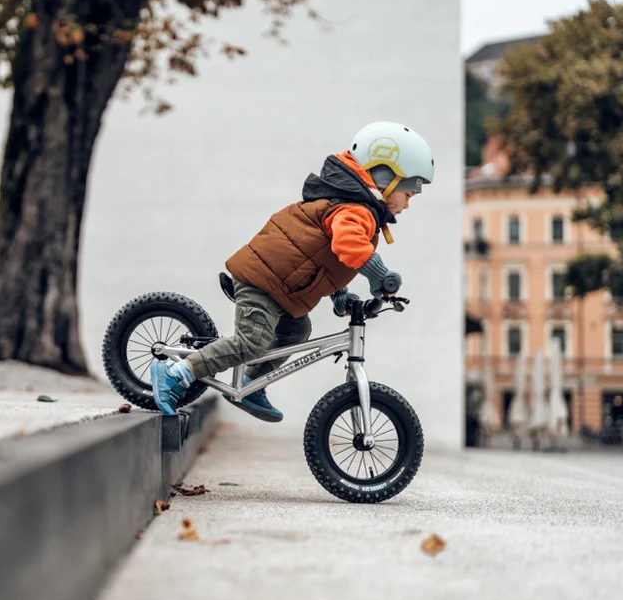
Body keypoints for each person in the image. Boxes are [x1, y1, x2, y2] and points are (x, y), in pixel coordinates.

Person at [149, 121, 435, 421]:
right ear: (384, 177)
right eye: (409, 194)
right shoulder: (354, 211)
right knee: (252, 341)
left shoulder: (351, 207)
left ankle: (251, 383)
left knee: (297, 330)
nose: (407, 204)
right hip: (264, 282)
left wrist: (341, 295)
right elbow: (348, 246)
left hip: (280, 287)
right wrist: (380, 276)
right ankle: (177, 373)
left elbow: (322, 257)